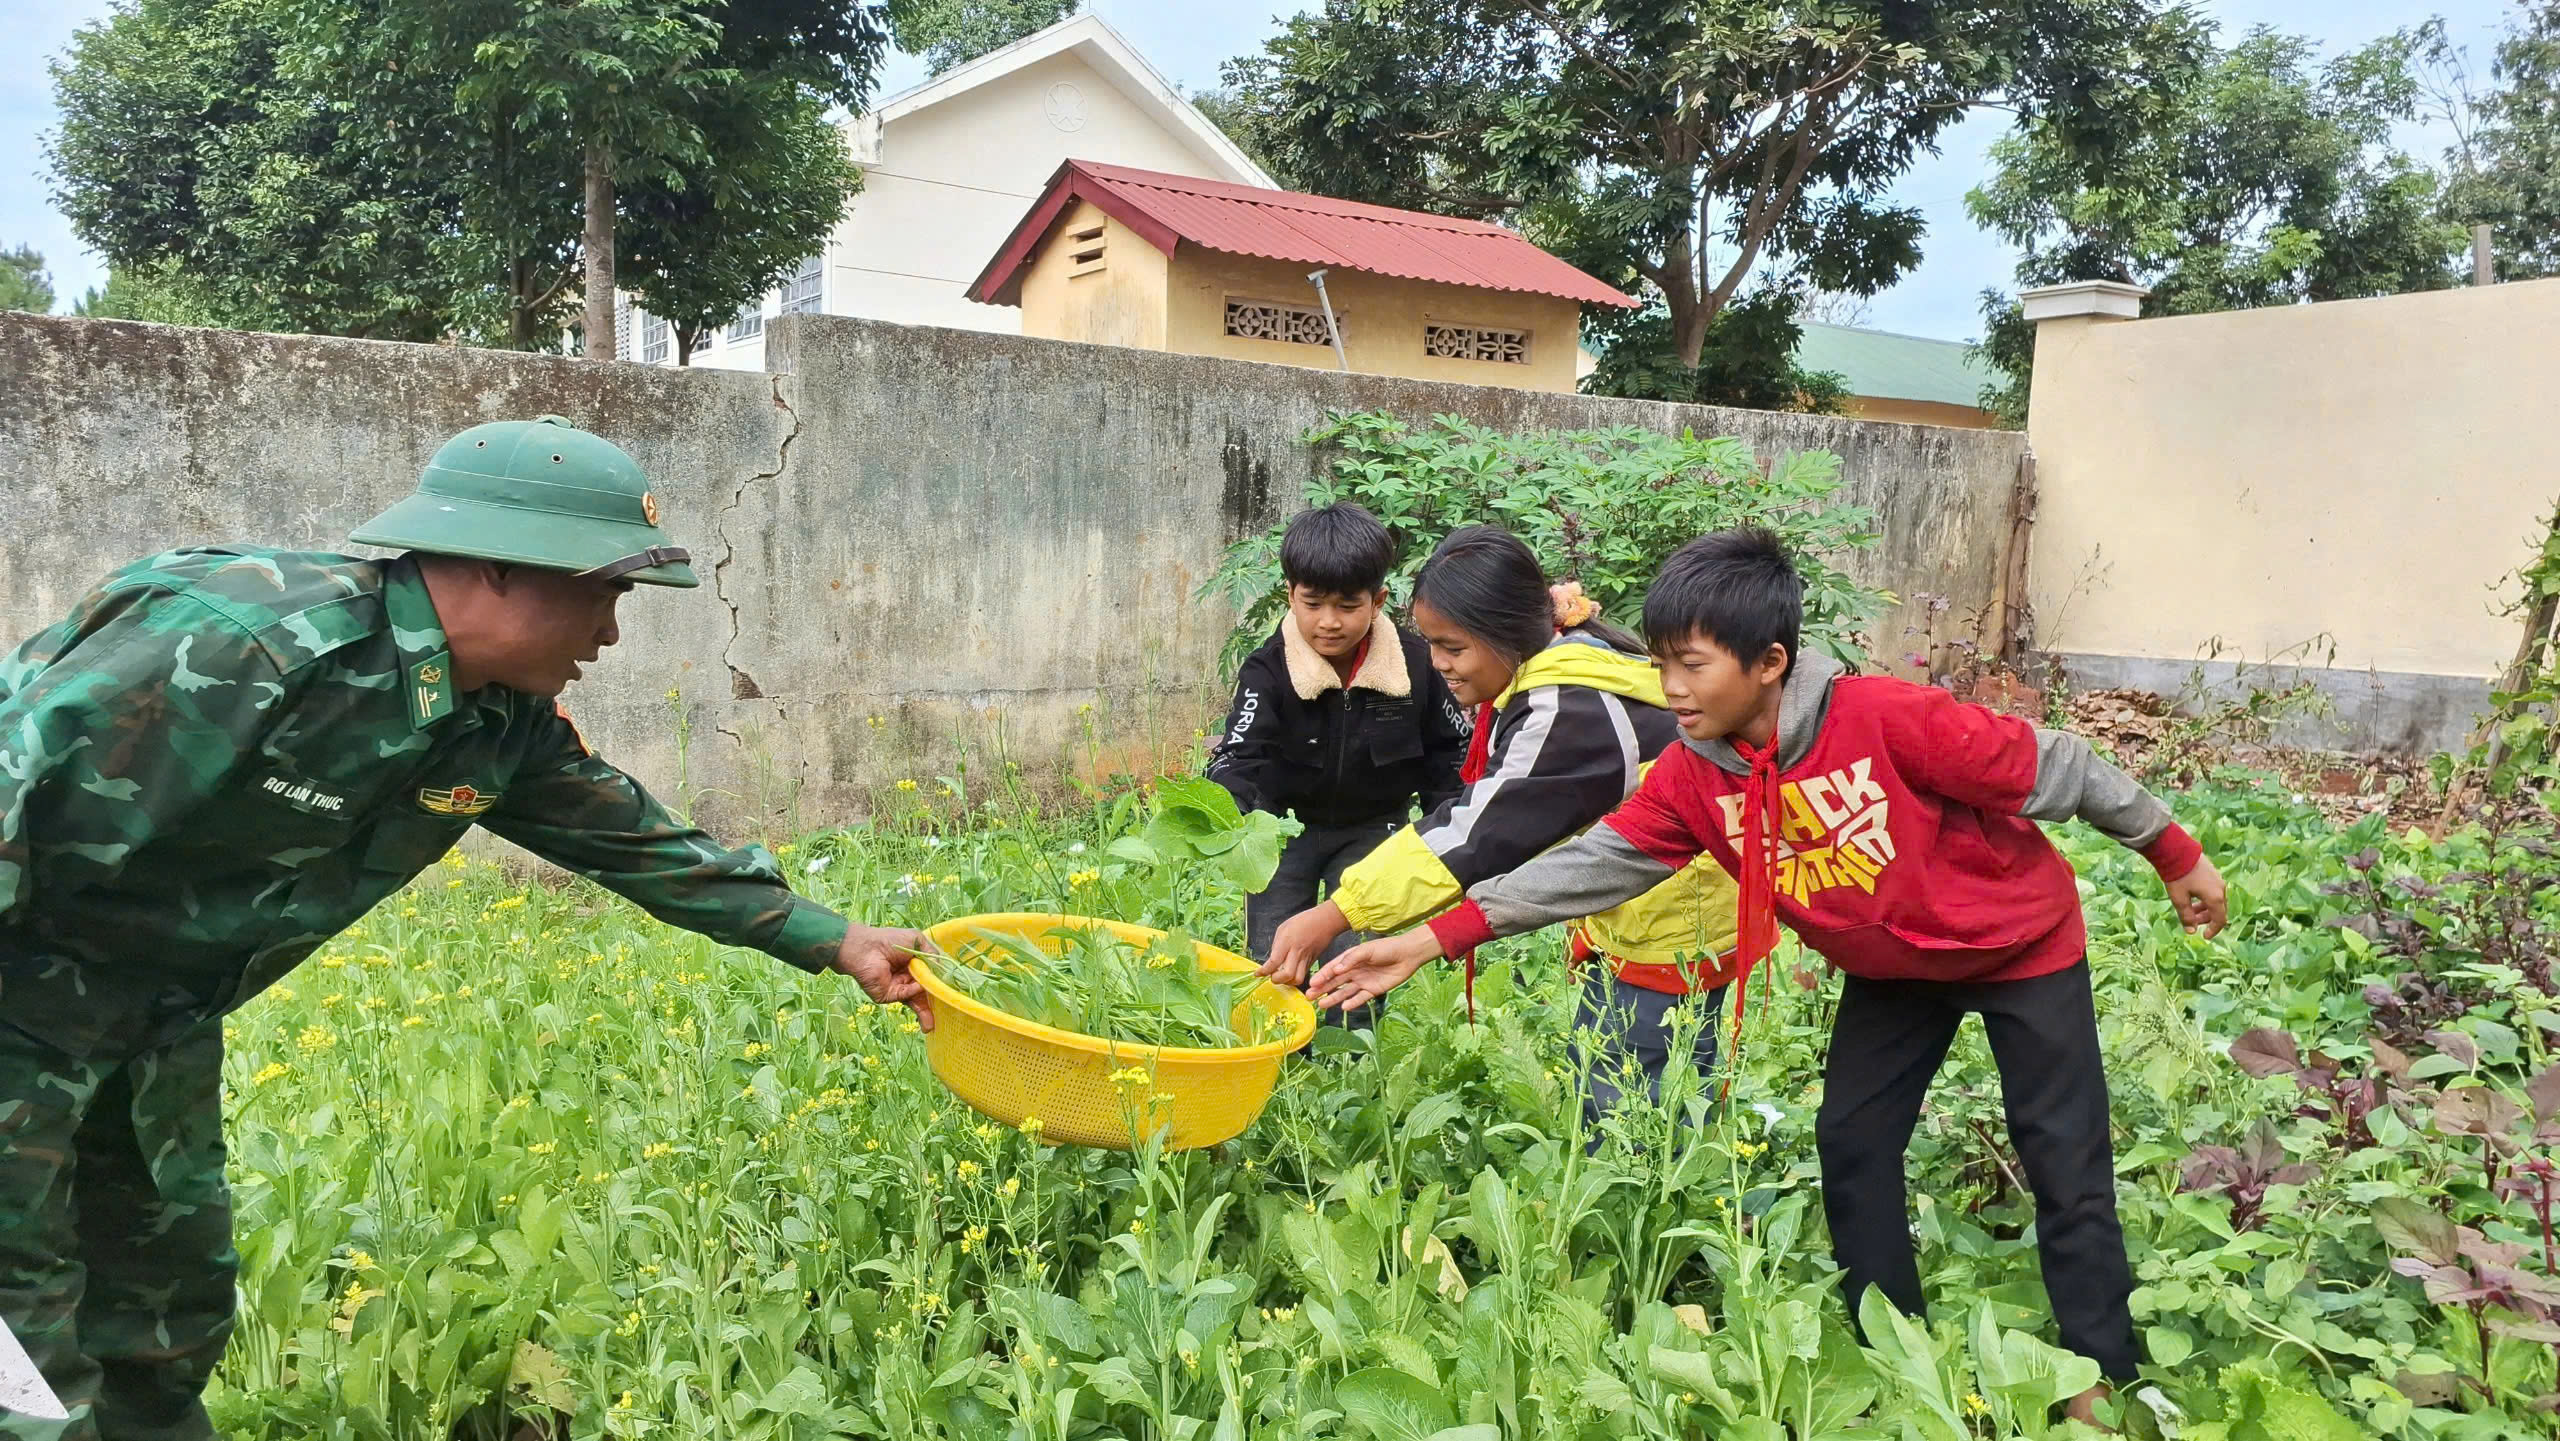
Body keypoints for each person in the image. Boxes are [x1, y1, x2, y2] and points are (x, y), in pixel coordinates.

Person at [0, 416, 930, 1441]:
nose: (610, 634)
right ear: (496, 566)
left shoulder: (492, 721)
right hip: (17, 997)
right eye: (603, 592)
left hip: (155, 1019)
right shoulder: (245, 638)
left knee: (166, 1307)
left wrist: (832, 936)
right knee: (23, 1350)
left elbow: (627, 838)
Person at [1308, 527, 2228, 1426]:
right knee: (1854, 1143)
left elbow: (2055, 764)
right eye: (1663, 662)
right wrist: (1433, 938)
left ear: (1771, 661)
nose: (1671, 688)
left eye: (1694, 665)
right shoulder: (1691, 778)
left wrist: (2173, 849)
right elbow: (1587, 866)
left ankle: (2102, 1378)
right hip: (1895, 972)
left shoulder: (1885, 718)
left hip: (2021, 944)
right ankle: (1892, 1350)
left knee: (2064, 1157)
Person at [1264, 526, 1739, 1113]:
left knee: (1625, 1109)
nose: (1436, 664)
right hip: (1664, 910)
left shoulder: (1566, 710)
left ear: (1506, 633)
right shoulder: (1572, 655)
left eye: (1453, 648)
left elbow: (1476, 833)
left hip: (1670, 925)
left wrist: (1337, 911)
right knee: (1657, 1089)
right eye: (1431, 644)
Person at [1203, 502, 1469, 1012]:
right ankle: (1283, 1053)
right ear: (1290, 596)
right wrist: (1226, 812)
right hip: (1282, 832)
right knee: (1274, 953)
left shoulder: (1417, 665)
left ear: (1378, 601)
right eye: (1313, 603)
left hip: (1375, 832)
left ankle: (1350, 1060)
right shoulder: (1267, 669)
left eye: (1348, 605)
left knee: (1353, 957)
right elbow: (1240, 752)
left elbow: (1449, 750)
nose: (1329, 622)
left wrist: (1451, 828)